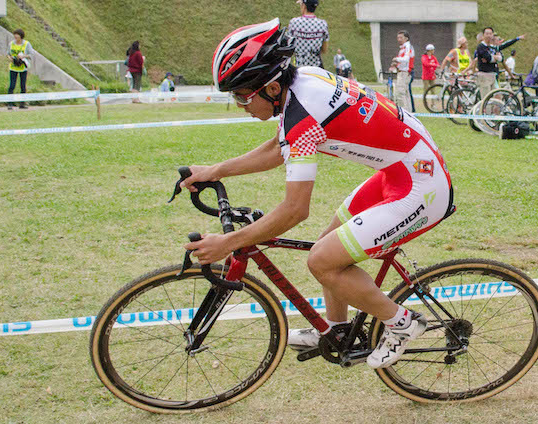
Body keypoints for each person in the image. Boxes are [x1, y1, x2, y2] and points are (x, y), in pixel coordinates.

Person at [186, 18, 453, 369]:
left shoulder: (303, 115)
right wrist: (215, 170)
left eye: (241, 96)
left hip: (423, 186)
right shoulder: (301, 82)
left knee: (322, 259)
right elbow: (279, 146)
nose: (240, 105)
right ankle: (337, 330)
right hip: (403, 169)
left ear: (270, 87)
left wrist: (229, 242)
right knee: (328, 244)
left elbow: (295, 210)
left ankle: (402, 323)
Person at [288, 0, 329, 68]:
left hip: (299, 67)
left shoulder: (294, 22)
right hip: (315, 68)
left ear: (304, 6)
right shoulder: (323, 24)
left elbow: (289, 45)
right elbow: (324, 49)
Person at [6, 29, 33, 110]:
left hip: (23, 67)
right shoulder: (11, 43)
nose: (15, 37)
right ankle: (10, 103)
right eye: (14, 35)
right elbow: (8, 53)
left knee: (23, 86)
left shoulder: (26, 44)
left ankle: (22, 103)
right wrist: (10, 58)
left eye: (17, 35)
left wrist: (23, 56)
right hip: (13, 67)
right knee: (12, 85)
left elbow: (31, 54)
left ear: (21, 36)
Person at [392, 30, 415, 112]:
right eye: (398, 37)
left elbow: (406, 59)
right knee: (405, 93)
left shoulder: (407, 47)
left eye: (401, 37)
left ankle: (403, 112)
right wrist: (396, 64)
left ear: (406, 38)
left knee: (400, 93)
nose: (399, 39)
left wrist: (396, 59)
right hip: (403, 72)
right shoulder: (403, 48)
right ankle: (409, 112)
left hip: (404, 73)